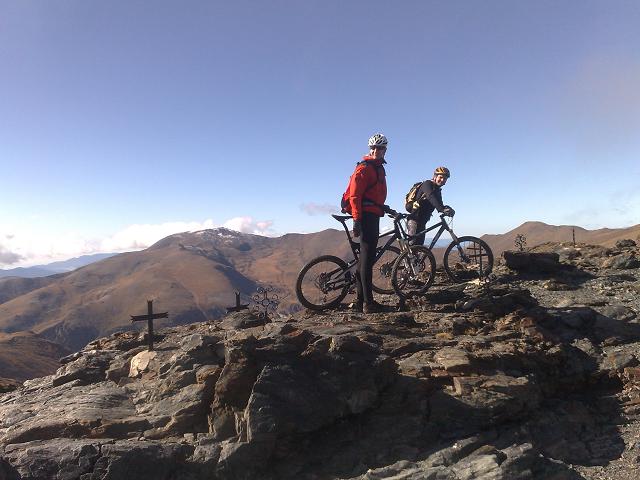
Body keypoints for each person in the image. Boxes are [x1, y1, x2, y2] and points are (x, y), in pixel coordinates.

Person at [345, 133, 395, 314]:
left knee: (364, 261)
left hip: (373, 214)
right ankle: (369, 303)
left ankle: (360, 302)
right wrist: (357, 219)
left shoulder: (379, 168)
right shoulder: (365, 168)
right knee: (366, 261)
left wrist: (385, 208)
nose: (376, 151)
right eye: (373, 148)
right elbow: (355, 196)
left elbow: (373, 195)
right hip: (365, 217)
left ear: (385, 150)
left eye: (380, 148)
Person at [407, 166, 455, 245]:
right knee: (412, 248)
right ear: (435, 176)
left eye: (445, 179)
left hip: (422, 221)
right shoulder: (427, 184)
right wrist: (441, 209)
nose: (442, 180)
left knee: (419, 248)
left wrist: (447, 208)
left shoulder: (437, 190)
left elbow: (439, 204)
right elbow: (430, 196)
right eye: (441, 177)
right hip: (414, 220)